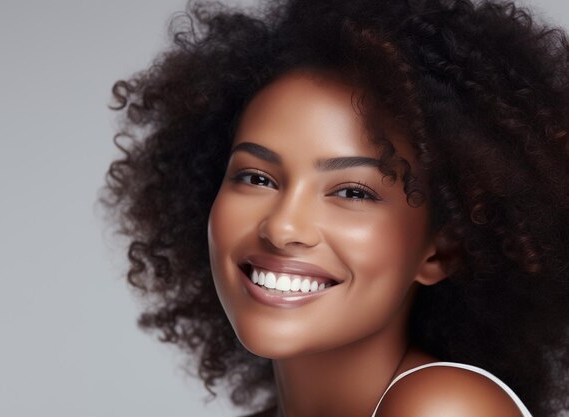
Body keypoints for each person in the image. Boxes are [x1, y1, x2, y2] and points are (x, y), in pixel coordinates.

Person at [100, 0, 569, 416]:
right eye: (257, 178)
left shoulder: (443, 407)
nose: (283, 227)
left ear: (439, 252)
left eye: (352, 192)